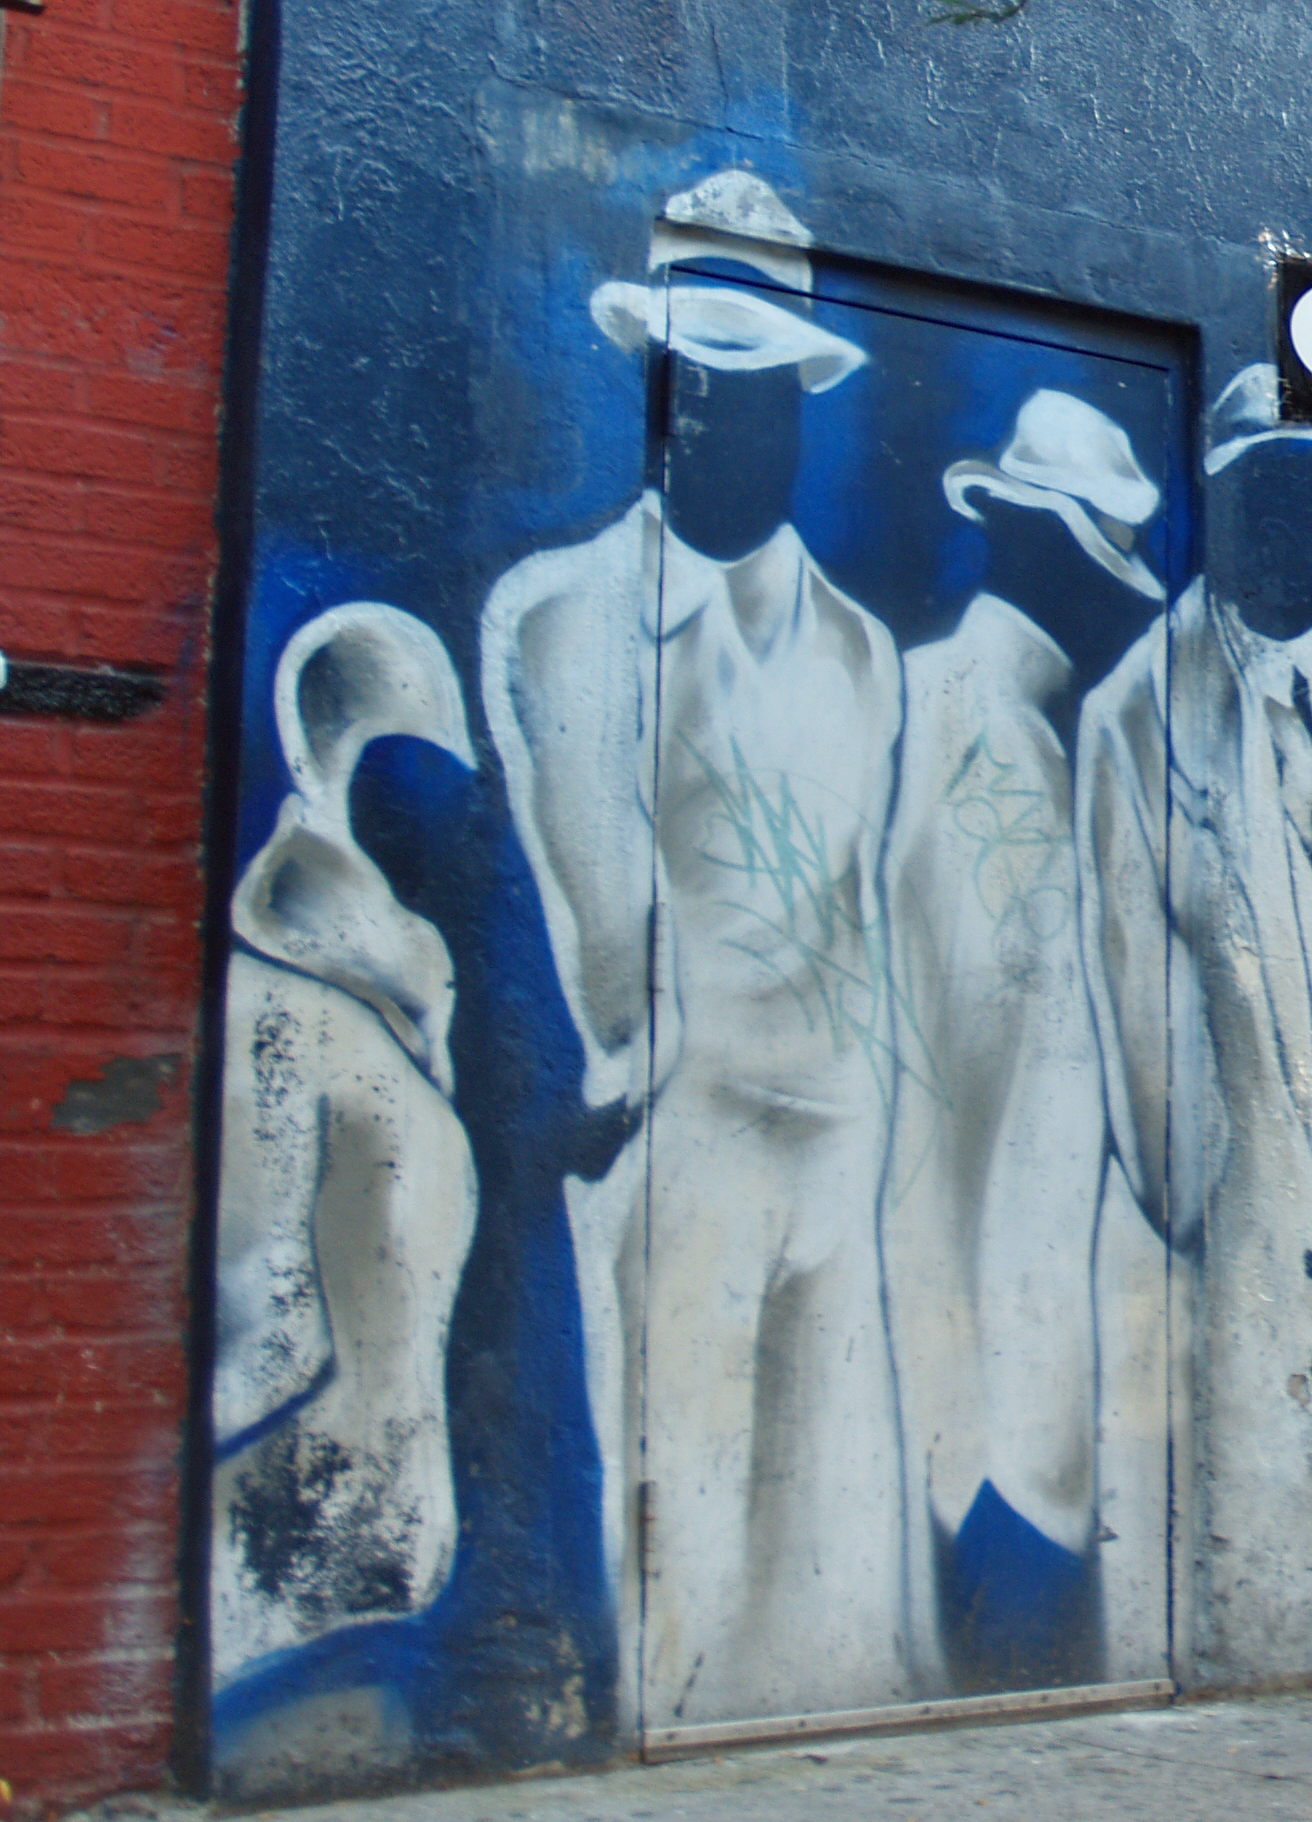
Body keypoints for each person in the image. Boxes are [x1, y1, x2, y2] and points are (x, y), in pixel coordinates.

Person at [479, 170, 911, 1727]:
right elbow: (603, 906)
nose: (734, 423)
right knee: (686, 1532)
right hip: (683, 1136)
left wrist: (861, 1097)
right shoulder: (568, 616)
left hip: (841, 1137)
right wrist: (661, 1083)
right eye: (702, 389)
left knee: (837, 1561)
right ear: (663, 407)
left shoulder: (860, 651)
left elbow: (856, 892)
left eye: (766, 389)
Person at [1074, 363, 1312, 1683]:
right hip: (1234, 1213)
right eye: (1268, 495)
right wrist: (1205, 1191)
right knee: (1249, 1541)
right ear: (1223, 508)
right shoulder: (1135, 716)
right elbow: (1131, 981)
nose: (1299, 528)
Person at [883, 389, 1163, 1688]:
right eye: (1104, 567)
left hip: (997, 1396)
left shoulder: (1003, 721)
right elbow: (977, 1095)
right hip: (983, 1414)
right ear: (1045, 545)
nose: (1121, 606)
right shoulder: (979, 740)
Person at [211, 604, 481, 1688]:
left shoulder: (354, 1025)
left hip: (352, 1523)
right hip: (310, 1533)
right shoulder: (304, 1027)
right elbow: (266, 1343)